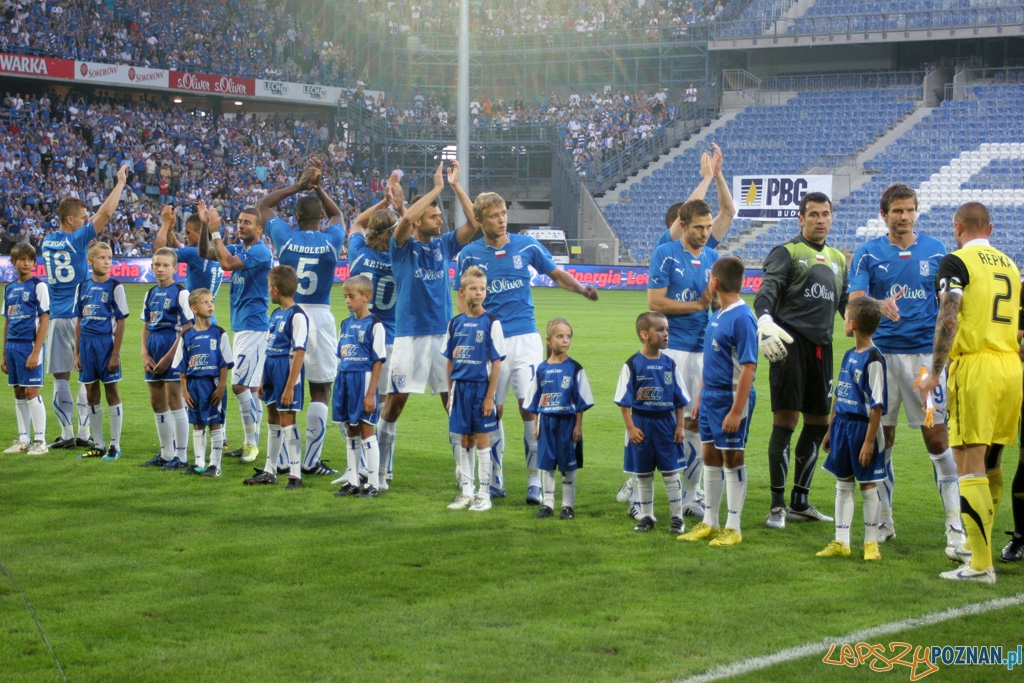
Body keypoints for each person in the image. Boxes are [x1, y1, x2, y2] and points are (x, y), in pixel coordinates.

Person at [456, 191, 598, 505]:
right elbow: (461, 296)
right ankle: (495, 476)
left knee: (530, 407)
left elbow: (556, 274)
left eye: (503, 212)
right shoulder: (469, 254)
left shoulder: (527, 246)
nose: (501, 219)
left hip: (525, 338)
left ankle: (535, 480)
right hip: (490, 340)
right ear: (479, 221)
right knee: (492, 409)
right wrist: (465, 334)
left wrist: (581, 290)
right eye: (493, 215)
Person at [847, 183, 964, 558]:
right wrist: (879, 304)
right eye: (897, 210)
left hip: (923, 363)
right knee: (883, 438)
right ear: (884, 215)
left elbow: (948, 305)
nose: (904, 216)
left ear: (917, 212)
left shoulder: (937, 251)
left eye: (910, 210)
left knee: (936, 438)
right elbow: (854, 303)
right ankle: (884, 521)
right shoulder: (868, 254)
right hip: (881, 358)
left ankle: (954, 525)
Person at [619, 145, 734, 515]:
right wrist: (699, 305)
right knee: (653, 416)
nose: (705, 233)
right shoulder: (666, 251)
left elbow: (728, 213)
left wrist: (716, 175)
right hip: (671, 350)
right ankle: (639, 490)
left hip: (703, 350)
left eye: (707, 227)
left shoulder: (713, 256)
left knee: (698, 421)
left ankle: (692, 494)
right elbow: (656, 303)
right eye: (698, 227)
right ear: (683, 225)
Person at [919, 201, 1022, 584]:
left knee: (968, 461)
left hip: (976, 365)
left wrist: (936, 370)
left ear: (957, 227)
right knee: (991, 460)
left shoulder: (956, 261)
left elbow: (950, 312)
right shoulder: (1011, 265)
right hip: (1011, 366)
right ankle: (979, 547)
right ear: (990, 229)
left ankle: (980, 563)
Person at [754, 191, 848, 528]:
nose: (820, 220)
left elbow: (846, 306)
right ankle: (777, 506)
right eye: (813, 215)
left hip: (823, 350)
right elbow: (767, 291)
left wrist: (873, 314)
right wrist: (765, 320)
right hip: (789, 345)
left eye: (825, 214)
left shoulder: (839, 259)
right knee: (786, 422)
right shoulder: (787, 252)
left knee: (820, 424)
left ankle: (800, 502)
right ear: (801, 219)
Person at [382, 161, 478, 486]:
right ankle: (382, 471)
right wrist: (435, 188)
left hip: (443, 337)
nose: (440, 220)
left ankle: (464, 475)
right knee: (395, 404)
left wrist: (454, 186)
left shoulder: (444, 244)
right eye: (434, 216)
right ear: (421, 220)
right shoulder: (401, 248)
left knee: (452, 404)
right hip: (409, 336)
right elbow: (406, 218)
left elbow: (474, 223)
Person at [258, 160, 346, 477]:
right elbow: (339, 216)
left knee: (285, 387)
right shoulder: (332, 238)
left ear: (295, 217)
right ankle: (310, 460)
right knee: (321, 390)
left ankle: (282, 460)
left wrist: (300, 184)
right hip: (320, 317)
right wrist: (319, 187)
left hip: (289, 314)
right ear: (320, 218)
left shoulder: (284, 235)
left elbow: (263, 205)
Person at [43, 164, 128, 450]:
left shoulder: (47, 240)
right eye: (82, 218)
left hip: (56, 316)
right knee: (86, 377)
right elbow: (104, 214)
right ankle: (83, 432)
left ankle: (66, 434)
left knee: (60, 378)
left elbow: (91, 217)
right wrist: (119, 184)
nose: (86, 220)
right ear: (70, 220)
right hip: (81, 315)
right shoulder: (77, 239)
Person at [678, 256, 756, 546]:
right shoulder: (718, 315)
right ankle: (710, 521)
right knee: (709, 456)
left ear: (715, 282)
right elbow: (713, 361)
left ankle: (733, 526)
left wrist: (737, 410)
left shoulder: (742, 317)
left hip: (731, 397)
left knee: (732, 458)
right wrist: (700, 397)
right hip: (710, 397)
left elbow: (749, 367)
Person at [816, 297, 887, 562]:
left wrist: (869, 442)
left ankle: (871, 543)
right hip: (842, 427)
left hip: (863, 429)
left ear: (853, 324)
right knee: (843, 482)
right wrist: (830, 429)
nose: (843, 322)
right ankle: (841, 540)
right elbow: (840, 395)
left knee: (867, 485)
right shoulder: (848, 355)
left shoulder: (874, 359)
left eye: (845, 317)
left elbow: (877, 406)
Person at [201, 204, 272, 465]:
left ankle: (252, 444)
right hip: (242, 326)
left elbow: (228, 264)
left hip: (254, 326)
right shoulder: (239, 248)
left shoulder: (261, 251)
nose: (241, 225)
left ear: (260, 229)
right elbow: (204, 252)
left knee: (239, 385)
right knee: (252, 389)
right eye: (240, 221)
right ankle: (249, 443)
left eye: (248, 222)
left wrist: (217, 232)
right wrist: (206, 228)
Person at [615, 311, 689, 534]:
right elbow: (623, 402)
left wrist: (680, 426)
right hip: (641, 426)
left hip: (666, 425)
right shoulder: (632, 364)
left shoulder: (670, 364)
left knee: (671, 473)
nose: (666, 334)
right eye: (660, 330)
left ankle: (677, 518)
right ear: (645, 334)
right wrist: (630, 427)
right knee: (644, 475)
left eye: (667, 329)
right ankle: (647, 516)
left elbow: (680, 400)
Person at [347, 183, 399, 490]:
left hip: (358, 335)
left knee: (358, 403)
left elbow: (355, 223)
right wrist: (396, 207)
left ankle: (364, 469)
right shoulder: (400, 260)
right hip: (389, 336)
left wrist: (382, 202)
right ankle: (382, 470)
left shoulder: (358, 252)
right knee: (383, 405)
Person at [442, 266, 505, 512]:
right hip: (459, 389)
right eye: (473, 289)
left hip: (481, 388)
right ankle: (466, 492)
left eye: (482, 289)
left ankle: (484, 493)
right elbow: (449, 360)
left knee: (481, 438)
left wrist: (490, 397)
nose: (478, 293)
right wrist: (449, 395)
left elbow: (497, 363)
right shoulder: (455, 323)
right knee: (463, 438)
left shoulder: (491, 322)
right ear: (462, 292)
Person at [243, 266, 308, 489]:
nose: (268, 291)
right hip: (271, 367)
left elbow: (300, 351)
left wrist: (290, 386)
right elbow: (269, 348)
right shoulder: (276, 313)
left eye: (269, 287)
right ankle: (270, 469)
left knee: (287, 420)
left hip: (286, 369)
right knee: (272, 418)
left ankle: (295, 474)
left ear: (276, 289)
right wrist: (262, 379)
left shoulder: (297, 315)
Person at [524, 318, 593, 521]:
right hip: (547, 423)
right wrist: (536, 425)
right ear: (549, 339)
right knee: (546, 465)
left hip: (567, 424)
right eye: (560, 336)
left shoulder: (575, 368)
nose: (565, 340)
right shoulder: (542, 369)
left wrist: (578, 426)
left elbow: (581, 400)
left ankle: (567, 506)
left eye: (568, 336)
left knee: (567, 467)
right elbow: (535, 400)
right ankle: (547, 504)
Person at [138, 248, 194, 470]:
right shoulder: (150, 293)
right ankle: (166, 453)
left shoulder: (181, 293)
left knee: (175, 401)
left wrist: (170, 357)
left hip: (173, 347)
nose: (160, 269)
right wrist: (144, 353)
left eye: (165, 265)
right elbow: (145, 326)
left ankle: (181, 456)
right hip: (153, 349)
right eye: (156, 265)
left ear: (174, 268)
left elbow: (187, 326)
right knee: (156, 402)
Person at [331, 275, 387, 498]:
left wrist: (371, 393)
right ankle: (353, 480)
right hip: (344, 379)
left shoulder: (375, 325)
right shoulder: (345, 323)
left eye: (351, 296)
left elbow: (378, 361)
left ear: (366, 297)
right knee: (350, 429)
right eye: (345, 296)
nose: (346, 300)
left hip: (362, 381)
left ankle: (373, 483)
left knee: (365, 429)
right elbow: (341, 354)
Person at [73, 242, 129, 460]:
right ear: (90, 261)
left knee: (111, 392)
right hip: (86, 344)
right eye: (102, 258)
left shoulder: (116, 286)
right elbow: (79, 320)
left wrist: (115, 354)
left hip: (106, 344)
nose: (107, 262)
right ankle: (98, 444)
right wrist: (76, 353)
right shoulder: (82, 286)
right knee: (91, 394)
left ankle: (115, 445)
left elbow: (122, 322)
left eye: (109, 258)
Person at [173, 288, 233, 478]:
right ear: (194, 309)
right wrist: (184, 390)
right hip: (193, 386)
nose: (210, 305)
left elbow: (224, 364)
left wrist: (221, 387)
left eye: (211, 302)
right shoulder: (186, 336)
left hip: (212, 385)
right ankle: (199, 463)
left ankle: (215, 465)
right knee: (197, 424)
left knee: (215, 423)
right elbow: (182, 367)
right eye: (205, 302)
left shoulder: (219, 333)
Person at [2, 242, 50, 455]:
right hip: (12, 346)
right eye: (22, 259)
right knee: (19, 391)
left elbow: (45, 319)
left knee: (31, 391)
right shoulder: (9, 288)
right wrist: (3, 352)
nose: (27, 263)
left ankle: (40, 442)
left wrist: (36, 351)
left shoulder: (39, 286)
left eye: (30, 259)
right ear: (13, 262)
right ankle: (23, 440)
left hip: (29, 345)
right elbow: (7, 321)